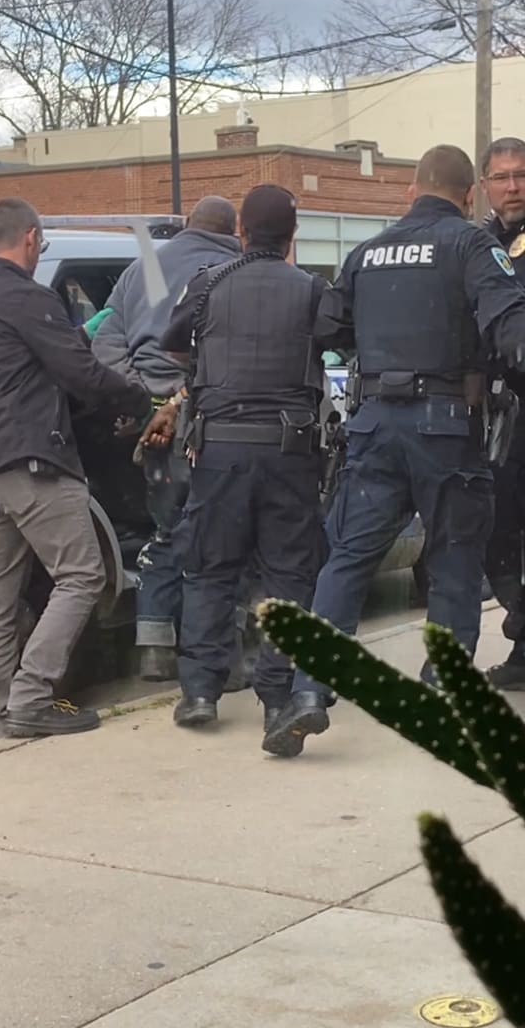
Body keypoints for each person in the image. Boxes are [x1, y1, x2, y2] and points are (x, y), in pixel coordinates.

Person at [266, 145, 525, 757]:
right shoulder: (472, 246)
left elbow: (330, 329)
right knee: (454, 558)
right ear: (469, 193)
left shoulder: (366, 252)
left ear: (412, 191)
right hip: (447, 427)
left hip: (374, 425)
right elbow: (510, 327)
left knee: (348, 559)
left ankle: (307, 691)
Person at [0, 198, 152, 738]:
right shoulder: (30, 298)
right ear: (31, 238)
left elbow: (23, 367)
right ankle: (32, 697)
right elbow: (82, 376)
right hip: (30, 464)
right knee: (82, 576)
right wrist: (139, 400)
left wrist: (76, 338)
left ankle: (1, 714)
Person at [141, 186, 328, 736]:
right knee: (288, 574)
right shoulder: (313, 290)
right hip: (290, 453)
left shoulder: (207, 283)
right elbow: (337, 341)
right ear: (292, 236)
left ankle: (201, 691)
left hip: (219, 451)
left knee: (209, 569)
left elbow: (174, 344)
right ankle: (276, 697)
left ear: (241, 231)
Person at [93, 195, 240, 680]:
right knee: (219, 539)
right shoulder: (233, 272)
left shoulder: (144, 269)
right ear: (233, 231)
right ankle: (216, 654)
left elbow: (106, 342)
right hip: (213, 423)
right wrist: (182, 399)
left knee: (167, 531)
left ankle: (154, 644)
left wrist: (142, 400)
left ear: (188, 224)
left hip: (154, 429)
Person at [480, 136, 525, 690]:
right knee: (497, 532)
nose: (513, 186)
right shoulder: (482, 243)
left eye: (521, 175)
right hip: (499, 416)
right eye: (502, 176)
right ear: (485, 185)